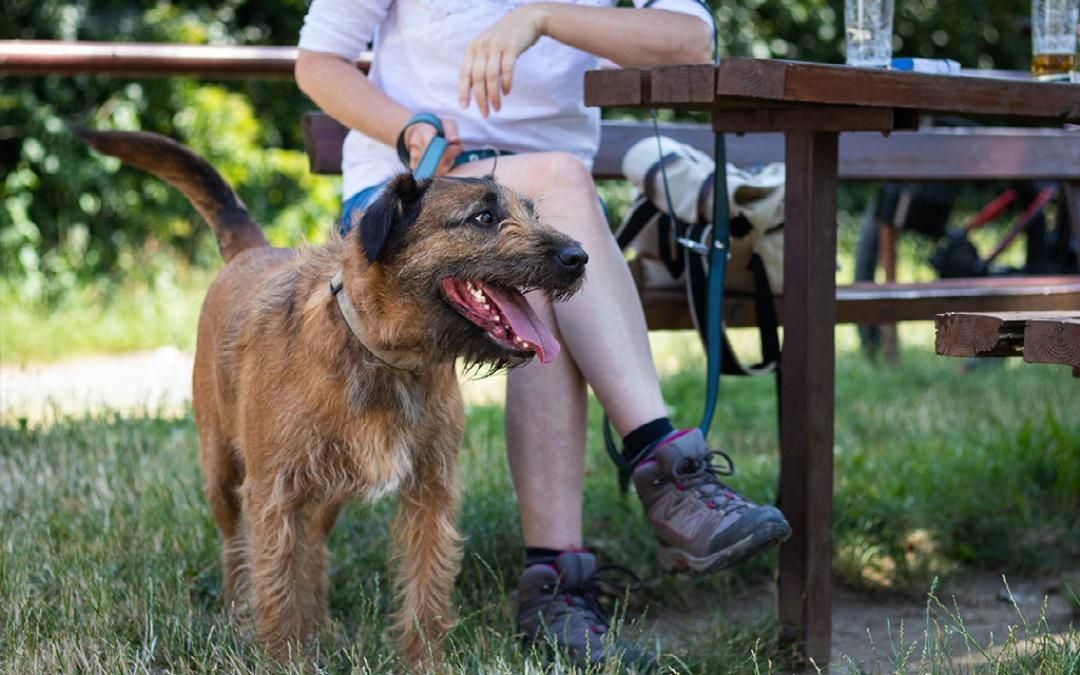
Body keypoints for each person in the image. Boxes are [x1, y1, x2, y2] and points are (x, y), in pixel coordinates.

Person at [295, 1, 791, 667]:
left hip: (549, 211)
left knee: (547, 254)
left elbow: (689, 38)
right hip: (419, 203)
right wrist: (407, 126)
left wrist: (544, 18)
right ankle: (666, 468)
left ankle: (555, 584)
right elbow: (318, 62)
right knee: (559, 188)